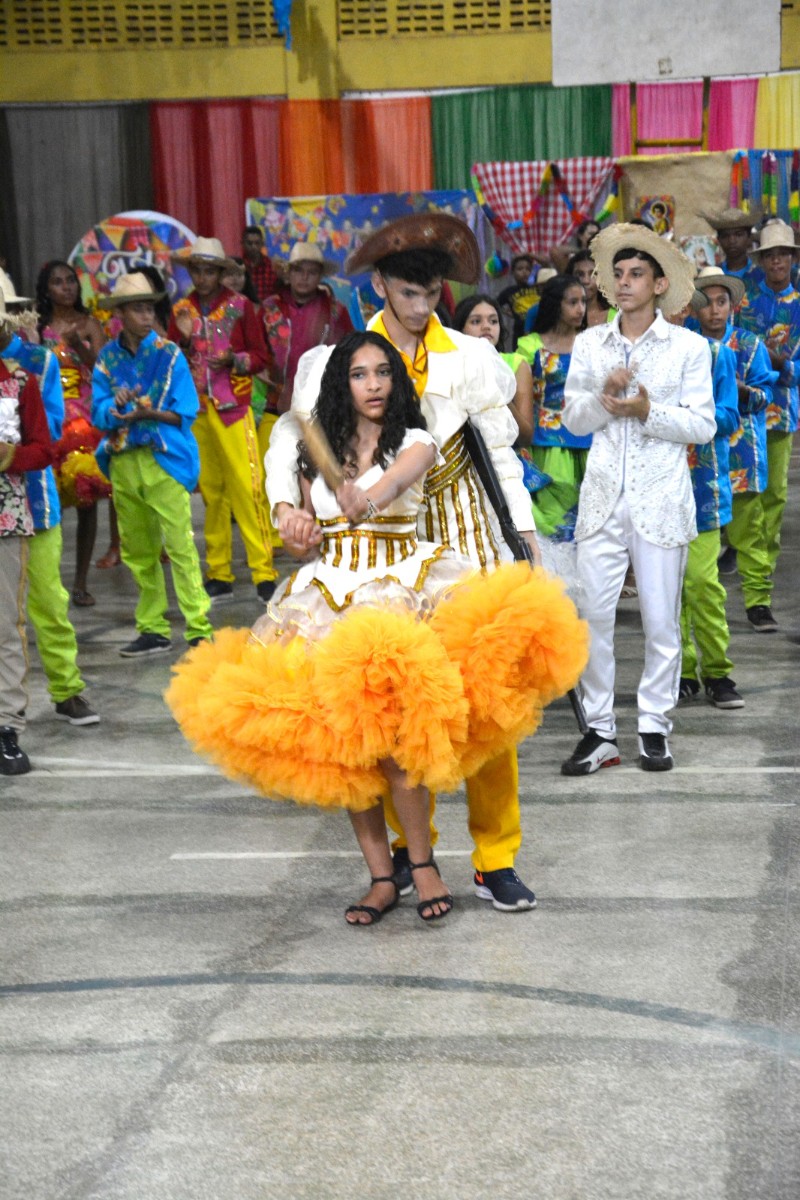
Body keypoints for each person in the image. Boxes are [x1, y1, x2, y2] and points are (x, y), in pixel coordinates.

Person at [167, 332, 586, 924]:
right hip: (324, 600)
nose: (373, 385)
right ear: (344, 383)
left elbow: (390, 488)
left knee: (400, 748)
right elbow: (300, 518)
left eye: (382, 373)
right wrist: (296, 524)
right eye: (359, 375)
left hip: (399, 598)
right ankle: (381, 878)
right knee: (347, 753)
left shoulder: (413, 440)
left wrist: (365, 491)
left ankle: (424, 866)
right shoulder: (322, 450)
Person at [266, 213, 545, 913]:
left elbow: (499, 452)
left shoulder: (473, 357)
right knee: (381, 705)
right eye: (409, 293)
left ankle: (495, 856)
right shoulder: (334, 361)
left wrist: (523, 534)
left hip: (462, 523)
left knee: (484, 699)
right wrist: (284, 510)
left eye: (432, 293)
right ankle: (407, 853)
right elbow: (289, 444)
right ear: (382, 286)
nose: (422, 308)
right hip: (366, 547)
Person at [561, 223, 715, 775]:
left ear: (658, 284)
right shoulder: (590, 343)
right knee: (592, 618)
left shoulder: (689, 347)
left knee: (659, 621)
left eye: (635, 276)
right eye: (617, 275)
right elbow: (572, 417)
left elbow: (703, 425)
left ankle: (653, 725)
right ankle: (600, 730)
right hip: (601, 496)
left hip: (660, 497)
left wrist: (647, 412)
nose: (623, 284)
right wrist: (605, 402)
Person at [91, 273, 214, 657]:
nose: (147, 315)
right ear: (120, 314)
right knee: (138, 551)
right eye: (138, 308)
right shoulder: (107, 359)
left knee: (180, 546)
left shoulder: (169, 354)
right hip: (125, 460)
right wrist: (114, 408)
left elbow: (185, 413)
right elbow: (97, 412)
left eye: (149, 308)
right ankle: (153, 628)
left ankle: (199, 628)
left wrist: (144, 411)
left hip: (163, 459)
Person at [0, 285, 98, 726]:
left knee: (47, 602)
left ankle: (66, 687)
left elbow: (52, 431)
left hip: (33, 502)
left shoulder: (38, 362)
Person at [168, 237, 277, 605]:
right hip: (196, 410)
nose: (202, 276)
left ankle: (263, 571)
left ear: (220, 272)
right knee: (212, 493)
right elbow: (170, 358)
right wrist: (182, 343)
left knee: (248, 488)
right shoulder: (180, 310)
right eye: (196, 269)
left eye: (209, 269)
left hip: (234, 407)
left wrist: (235, 359)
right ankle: (219, 571)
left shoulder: (241, 306)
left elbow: (263, 356)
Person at [689, 267, 776, 627]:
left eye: (721, 302)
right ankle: (706, 605)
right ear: (695, 309)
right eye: (706, 303)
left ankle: (758, 601)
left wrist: (742, 393)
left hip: (742, 452)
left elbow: (765, 397)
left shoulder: (750, 345)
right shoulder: (688, 344)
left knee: (749, 532)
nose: (714, 310)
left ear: (733, 305)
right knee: (704, 538)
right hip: (702, 457)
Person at [677, 289, 742, 708]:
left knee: (702, 581)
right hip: (656, 485)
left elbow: (729, 415)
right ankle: (680, 672)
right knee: (666, 587)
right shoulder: (641, 356)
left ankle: (718, 671)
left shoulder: (717, 354)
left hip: (702, 484)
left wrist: (684, 417)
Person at [36, 259, 113, 605]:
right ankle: (48, 582)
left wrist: (78, 345)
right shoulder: (37, 328)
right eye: (57, 282)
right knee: (49, 502)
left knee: (86, 500)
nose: (66, 287)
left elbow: (104, 369)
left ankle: (80, 582)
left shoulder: (90, 324)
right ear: (46, 290)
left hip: (84, 418)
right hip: (49, 416)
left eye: (70, 280)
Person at [735, 221, 800, 630]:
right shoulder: (742, 303)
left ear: (792, 258)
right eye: (770, 255)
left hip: (781, 413)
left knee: (774, 498)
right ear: (761, 260)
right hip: (740, 413)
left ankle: (760, 591)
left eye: (784, 254)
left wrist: (782, 365)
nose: (777, 260)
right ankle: (746, 577)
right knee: (744, 497)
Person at [0, 310, 53, 775]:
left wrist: (11, 454)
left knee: (5, 625)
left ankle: (6, 727)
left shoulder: (20, 383)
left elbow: (45, 447)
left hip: (5, 515)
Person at [519, 275, 590, 585]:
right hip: (546, 444)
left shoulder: (594, 344)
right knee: (551, 518)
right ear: (554, 305)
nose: (579, 309)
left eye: (583, 302)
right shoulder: (529, 345)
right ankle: (558, 584)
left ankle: (589, 587)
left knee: (589, 518)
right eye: (572, 302)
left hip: (590, 442)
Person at [451, 292, 534, 445]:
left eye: (493, 321)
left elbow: (526, 437)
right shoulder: (449, 364)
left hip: (509, 457)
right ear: (460, 329)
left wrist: (498, 393)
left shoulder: (515, 364)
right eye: (476, 321)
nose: (486, 327)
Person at [699, 207, 763, 300]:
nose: (732, 241)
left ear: (749, 238)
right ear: (719, 240)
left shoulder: (761, 275)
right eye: (725, 236)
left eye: (738, 234)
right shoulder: (712, 276)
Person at [497, 253, 538, 346]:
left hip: (540, 332)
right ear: (513, 272)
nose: (524, 272)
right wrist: (508, 312)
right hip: (520, 334)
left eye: (528, 269)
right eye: (520, 269)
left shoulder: (539, 287)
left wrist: (530, 254)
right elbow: (495, 304)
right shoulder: (509, 292)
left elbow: (547, 264)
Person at [242, 225, 279, 304]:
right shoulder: (239, 266)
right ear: (242, 244)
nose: (254, 247)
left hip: (269, 312)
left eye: (257, 243)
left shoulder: (273, 266)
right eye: (249, 243)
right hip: (244, 312)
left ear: (262, 244)